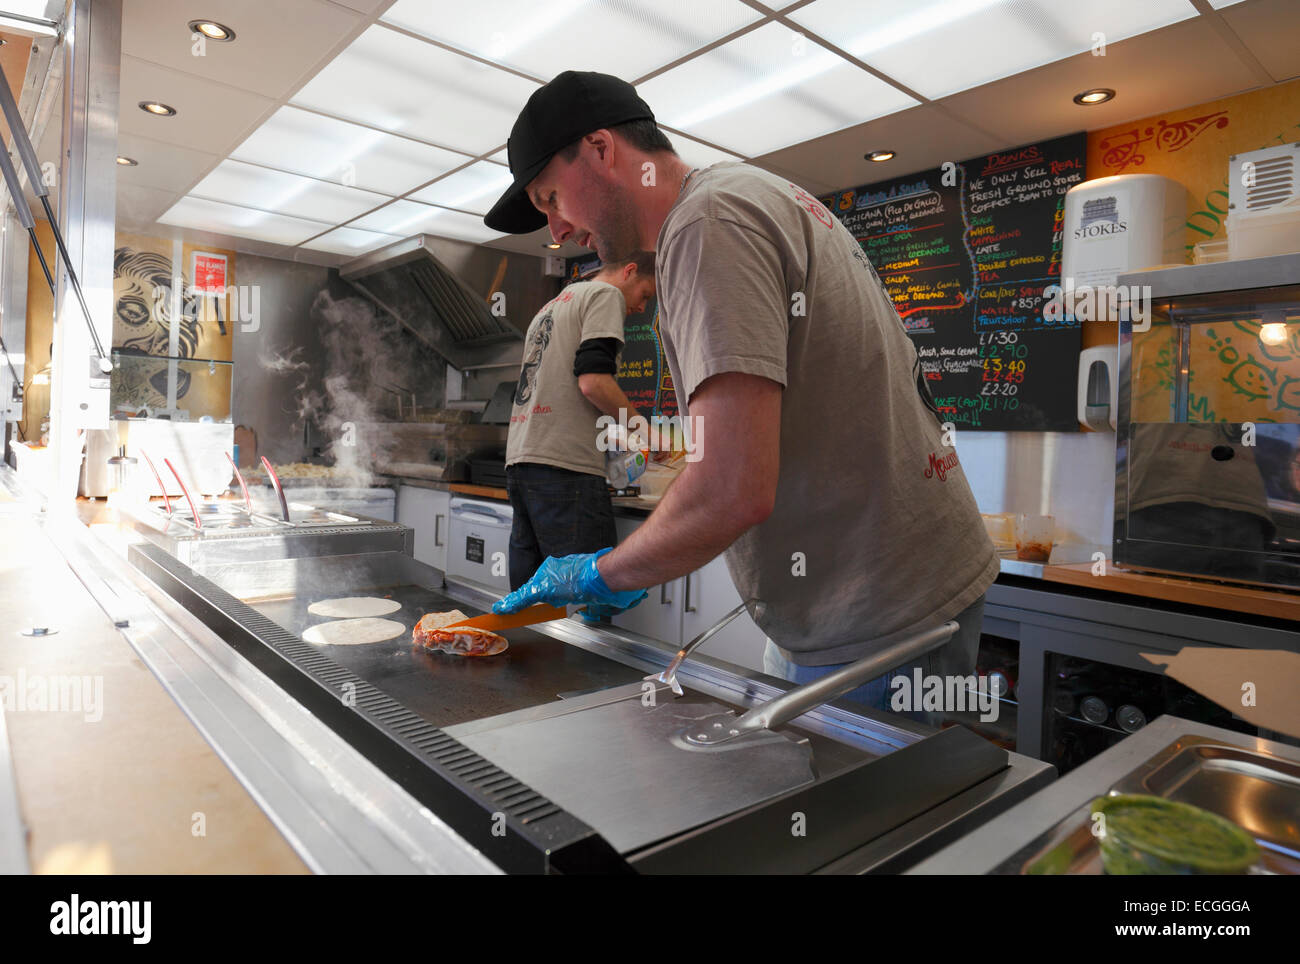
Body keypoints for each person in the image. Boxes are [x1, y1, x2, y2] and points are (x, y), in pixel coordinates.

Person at [484, 71, 997, 716]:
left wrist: (603, 572)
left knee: (867, 814)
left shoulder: (708, 222)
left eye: (551, 197)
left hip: (878, 613)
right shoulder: (740, 198)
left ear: (600, 149)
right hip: (855, 602)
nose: (557, 230)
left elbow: (731, 487)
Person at [504, 253, 656, 605]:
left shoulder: (551, 306)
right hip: (566, 473)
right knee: (586, 603)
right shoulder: (606, 296)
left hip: (522, 466)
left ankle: (530, 660)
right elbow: (593, 382)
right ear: (629, 269)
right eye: (645, 295)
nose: (640, 307)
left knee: (531, 602)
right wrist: (644, 429)